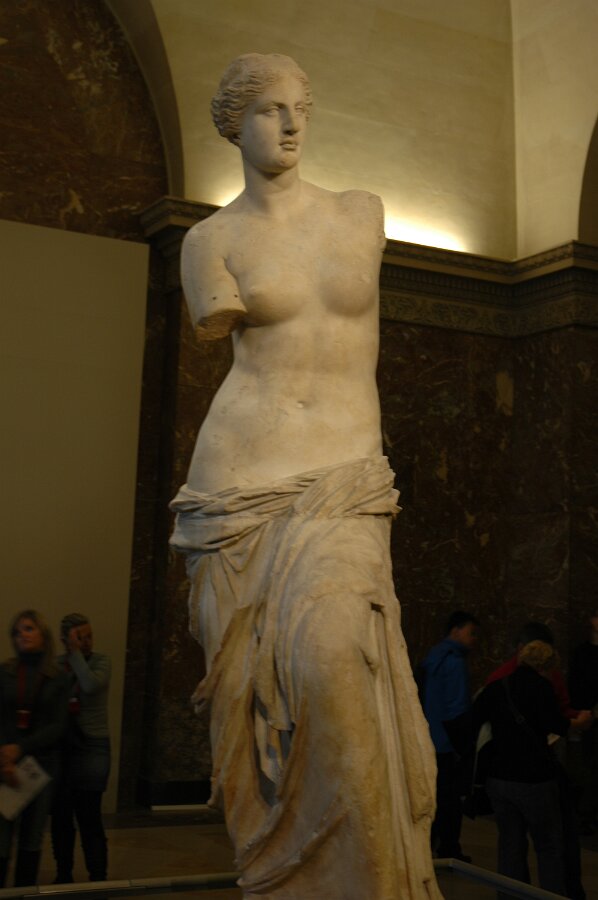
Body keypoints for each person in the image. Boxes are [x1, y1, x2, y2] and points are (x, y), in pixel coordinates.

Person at [170, 53, 442, 899]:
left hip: (343, 484)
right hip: (240, 492)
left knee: (336, 666)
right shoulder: (209, 242)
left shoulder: (361, 211)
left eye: (300, 109)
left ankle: (370, 880)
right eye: (268, 110)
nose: (290, 125)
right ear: (233, 125)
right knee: (258, 706)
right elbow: (218, 327)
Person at [474, 641, 590, 899]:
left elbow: (474, 720)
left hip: (499, 779)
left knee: (510, 846)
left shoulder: (497, 687)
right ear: (547, 666)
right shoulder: (541, 687)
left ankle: (508, 896)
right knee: (548, 846)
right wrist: (580, 722)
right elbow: (556, 724)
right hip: (534, 779)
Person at [0, 610, 69, 888]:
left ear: (43, 633)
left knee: (31, 837)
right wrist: (6, 758)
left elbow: (58, 726)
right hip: (5, 764)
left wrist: (21, 748)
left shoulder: (57, 677)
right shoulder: (5, 672)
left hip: (40, 766)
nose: (22, 635)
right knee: (1, 836)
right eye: (17, 632)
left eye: (28, 629)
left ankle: (24, 892)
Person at [51, 613, 111, 883]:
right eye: (79, 638)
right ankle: (63, 874)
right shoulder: (56, 665)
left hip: (92, 745)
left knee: (89, 815)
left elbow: (89, 684)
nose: (86, 642)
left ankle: (97, 878)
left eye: (89, 636)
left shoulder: (101, 661)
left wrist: (75, 654)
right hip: (64, 746)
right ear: (64, 640)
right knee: (61, 814)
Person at [420, 610, 479, 861]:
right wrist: (463, 744)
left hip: (428, 738)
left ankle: (426, 847)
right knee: (450, 800)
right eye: (471, 633)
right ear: (455, 631)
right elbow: (457, 707)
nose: (474, 639)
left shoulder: (433, 657)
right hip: (447, 742)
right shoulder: (454, 662)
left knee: (433, 796)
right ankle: (448, 848)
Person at [568, 608, 598, 835]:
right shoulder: (581, 653)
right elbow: (576, 686)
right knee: (588, 766)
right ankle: (585, 814)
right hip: (586, 717)